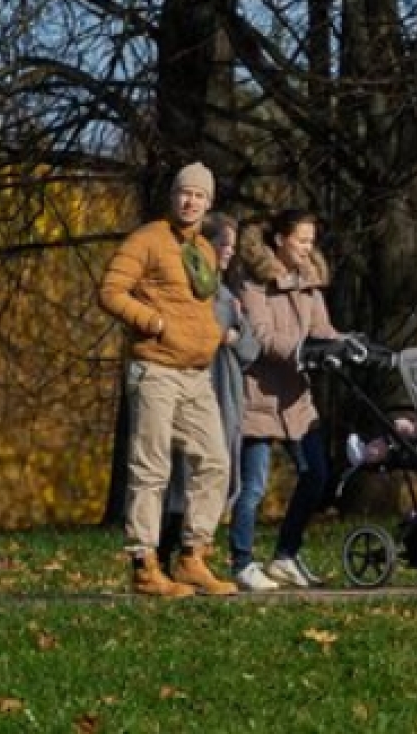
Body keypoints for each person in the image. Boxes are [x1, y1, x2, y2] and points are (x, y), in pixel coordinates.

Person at [97, 162, 238, 597]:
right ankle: (145, 565)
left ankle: (193, 557)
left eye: (198, 195)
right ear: (172, 196)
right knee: (151, 467)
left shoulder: (205, 250)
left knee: (215, 462)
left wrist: (215, 335)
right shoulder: (147, 240)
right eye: (184, 193)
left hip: (196, 374)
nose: (190, 201)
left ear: (208, 202)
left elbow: (202, 306)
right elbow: (110, 291)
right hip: (156, 369)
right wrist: (153, 322)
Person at [230, 209, 336, 590]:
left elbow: (322, 329)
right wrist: (304, 351)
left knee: (317, 475)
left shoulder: (309, 281)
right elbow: (259, 334)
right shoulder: (252, 279)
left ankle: (286, 555)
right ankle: (241, 562)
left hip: (296, 398)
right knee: (253, 485)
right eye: (302, 240)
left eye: (311, 241)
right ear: (279, 240)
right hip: (258, 394)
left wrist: (347, 345)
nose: (309, 248)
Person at [156, 212, 261, 570]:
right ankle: (166, 556)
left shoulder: (227, 292)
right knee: (186, 474)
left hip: (226, 388)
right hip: (193, 383)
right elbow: (192, 332)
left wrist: (234, 334)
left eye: (232, 245)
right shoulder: (186, 287)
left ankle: (194, 556)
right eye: (222, 244)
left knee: (218, 470)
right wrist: (224, 334)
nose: (229, 252)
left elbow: (250, 348)